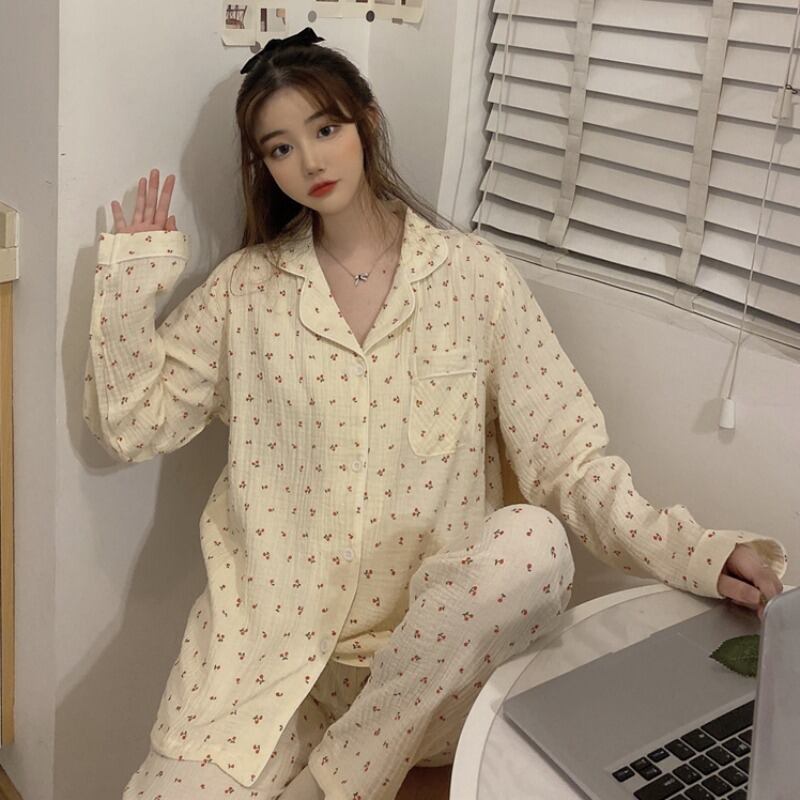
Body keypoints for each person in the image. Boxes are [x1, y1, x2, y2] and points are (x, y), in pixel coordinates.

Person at [83, 27, 787, 800]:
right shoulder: (245, 291)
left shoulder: (474, 278)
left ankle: (330, 785)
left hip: (426, 679)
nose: (310, 161)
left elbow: (568, 462)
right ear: (264, 165)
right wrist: (131, 284)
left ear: (367, 121)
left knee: (532, 543)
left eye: (325, 129)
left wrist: (697, 552)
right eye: (280, 148)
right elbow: (132, 426)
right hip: (269, 670)